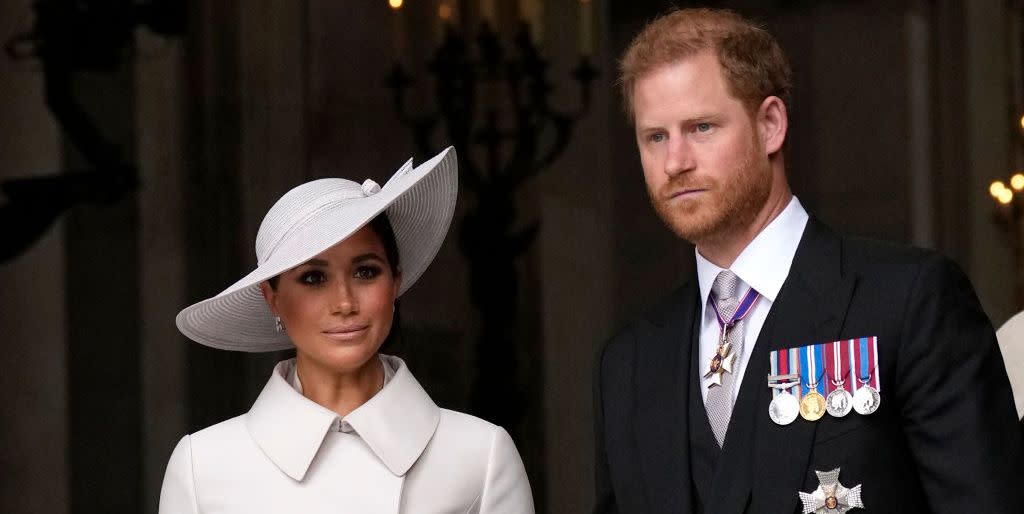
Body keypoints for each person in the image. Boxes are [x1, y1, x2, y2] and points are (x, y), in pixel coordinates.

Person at [593, 8, 1023, 514]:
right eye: (656, 137)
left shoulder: (910, 302)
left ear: (771, 125)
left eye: (702, 127)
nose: (675, 162)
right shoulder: (628, 364)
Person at [160, 147, 535, 513]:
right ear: (272, 298)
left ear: (395, 283)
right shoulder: (203, 468)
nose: (344, 302)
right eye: (313, 277)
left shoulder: (480, 456)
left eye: (366, 272)